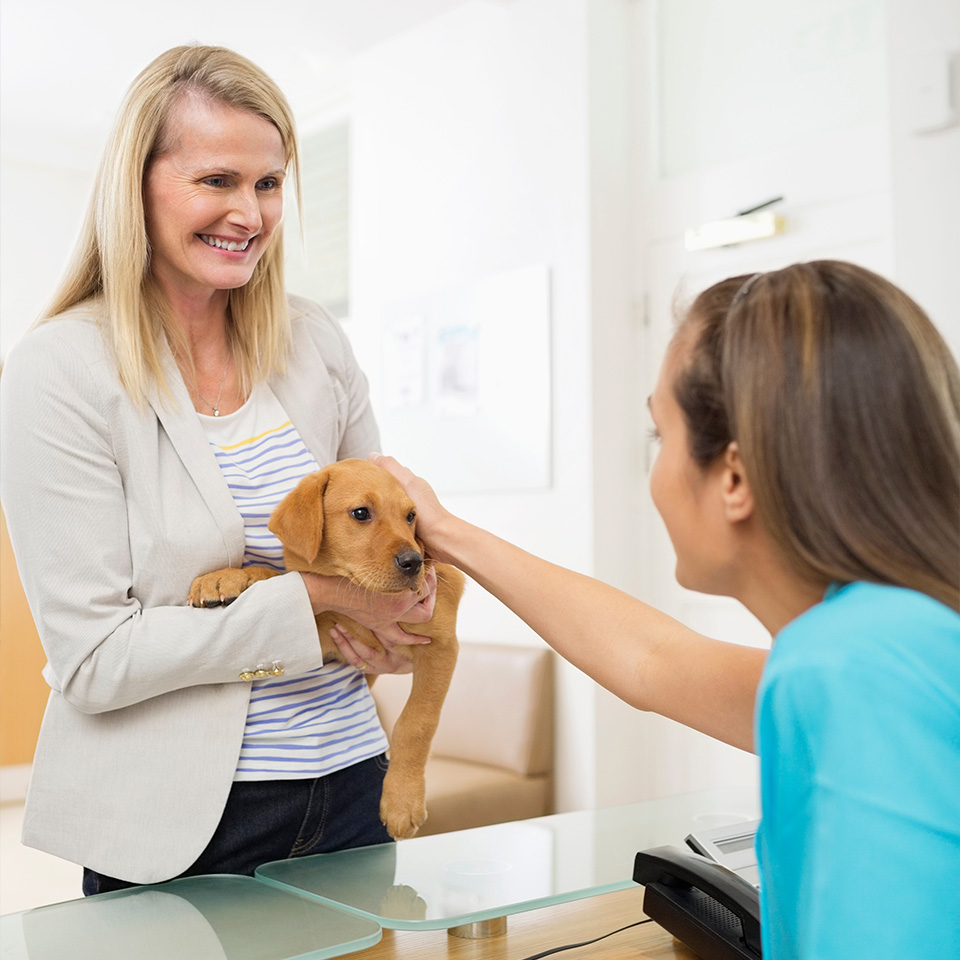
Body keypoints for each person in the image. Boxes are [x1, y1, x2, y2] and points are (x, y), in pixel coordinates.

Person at [338, 261, 960, 959]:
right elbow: (652, 661)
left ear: (732, 477)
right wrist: (442, 531)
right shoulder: (894, 639)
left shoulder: (842, 671)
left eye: (660, 435)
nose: (655, 473)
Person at [0, 45, 434, 895]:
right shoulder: (60, 370)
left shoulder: (314, 344)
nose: (251, 213)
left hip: (352, 785)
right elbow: (93, 658)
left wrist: (388, 622)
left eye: (269, 184)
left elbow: (389, 564)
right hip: (177, 819)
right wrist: (311, 600)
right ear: (137, 187)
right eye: (218, 181)